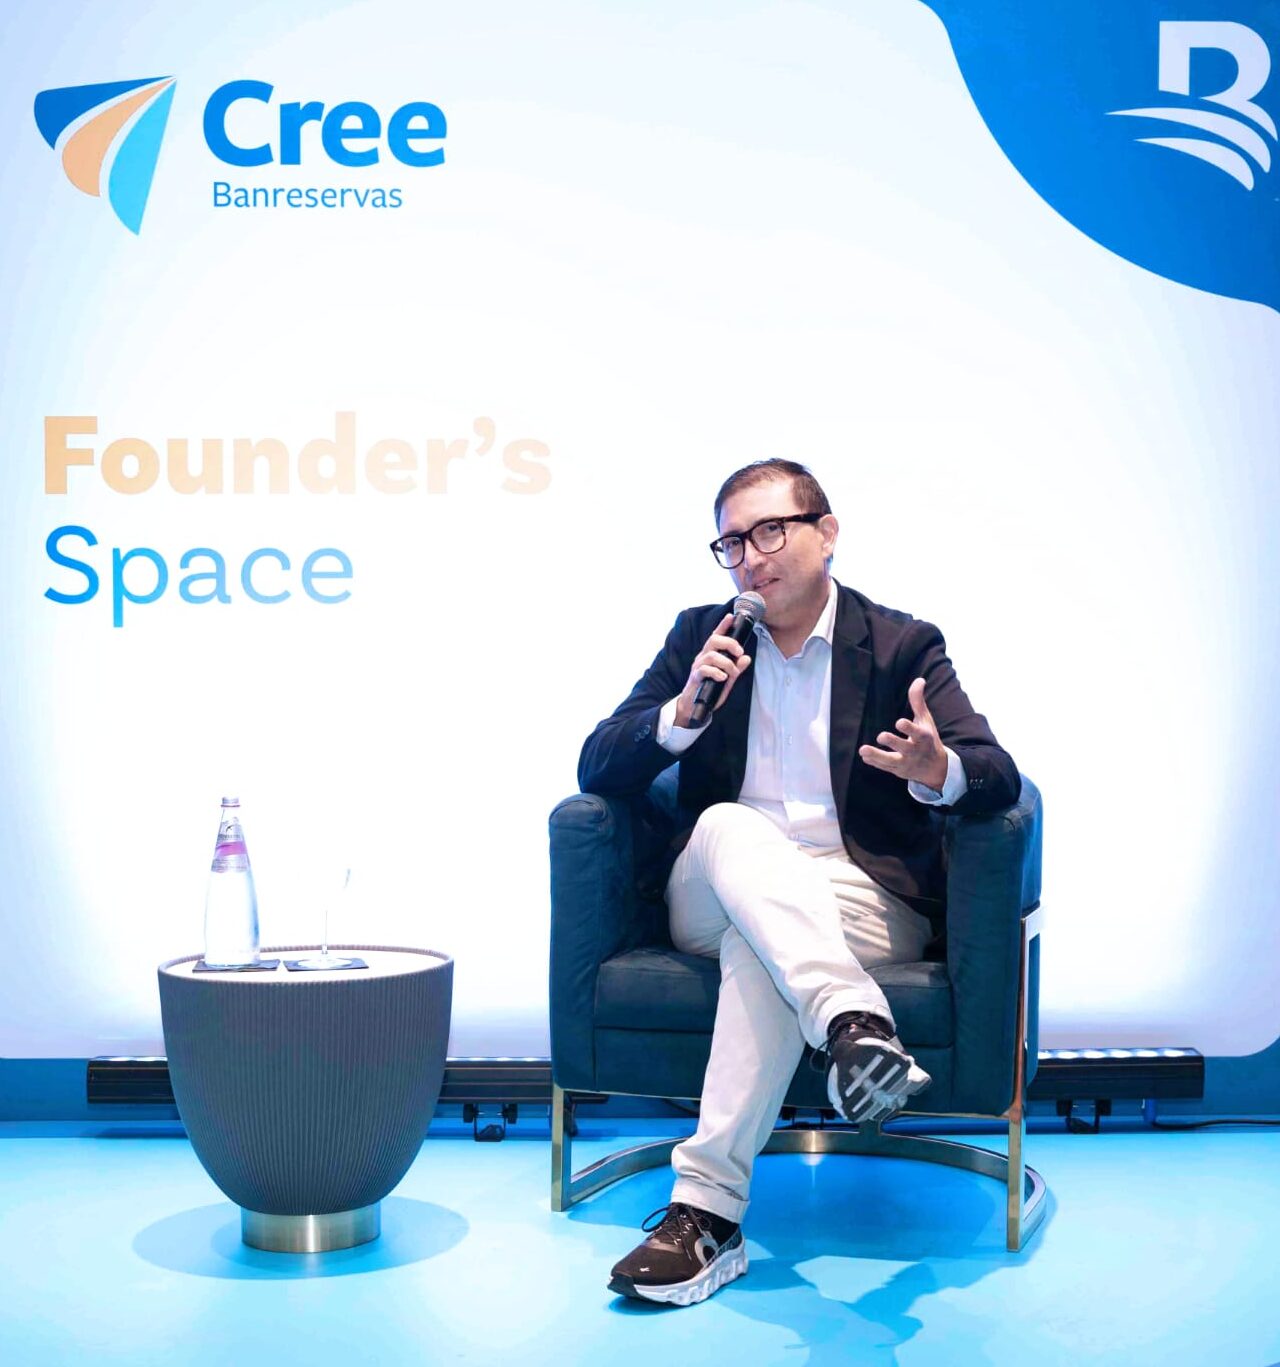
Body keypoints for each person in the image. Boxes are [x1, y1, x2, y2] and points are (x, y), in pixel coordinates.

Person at [577, 459, 1020, 1306]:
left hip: (862, 895)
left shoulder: (901, 645)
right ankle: (854, 1023)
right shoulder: (702, 637)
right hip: (714, 884)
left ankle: (705, 1217)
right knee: (730, 826)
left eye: (771, 531)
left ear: (828, 532)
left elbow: (996, 773)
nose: (751, 556)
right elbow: (597, 762)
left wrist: (939, 770)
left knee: (765, 944)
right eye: (732, 543)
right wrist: (681, 716)